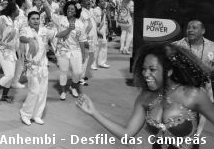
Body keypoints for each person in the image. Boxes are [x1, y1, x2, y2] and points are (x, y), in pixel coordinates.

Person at [77, 43, 214, 149]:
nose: (145, 74)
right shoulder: (145, 98)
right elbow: (127, 135)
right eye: (143, 69)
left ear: (169, 71)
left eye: (152, 69)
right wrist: (94, 112)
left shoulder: (192, 95)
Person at [19, 11, 66, 125]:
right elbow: (21, 38)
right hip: (31, 66)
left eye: (37, 18)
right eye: (33, 19)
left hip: (43, 65)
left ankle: (37, 115)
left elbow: (57, 35)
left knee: (42, 92)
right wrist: (29, 40)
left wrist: (68, 29)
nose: (35, 21)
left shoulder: (44, 30)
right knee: (34, 91)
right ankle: (25, 113)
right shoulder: (26, 30)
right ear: (28, 20)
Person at [43, 0, 87, 99]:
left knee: (77, 72)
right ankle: (63, 91)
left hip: (76, 50)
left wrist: (83, 54)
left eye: (72, 9)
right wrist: (44, 1)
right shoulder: (60, 19)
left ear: (76, 11)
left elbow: (82, 40)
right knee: (63, 71)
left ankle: (73, 87)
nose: (69, 10)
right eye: (68, 8)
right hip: (62, 50)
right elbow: (49, 13)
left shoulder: (80, 24)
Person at [0, 2, 20, 104]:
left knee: (10, 76)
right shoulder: (3, 18)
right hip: (4, 50)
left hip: (12, 51)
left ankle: (5, 95)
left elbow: (15, 38)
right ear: (12, 10)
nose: (18, 11)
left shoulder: (15, 21)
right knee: (9, 75)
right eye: (17, 9)